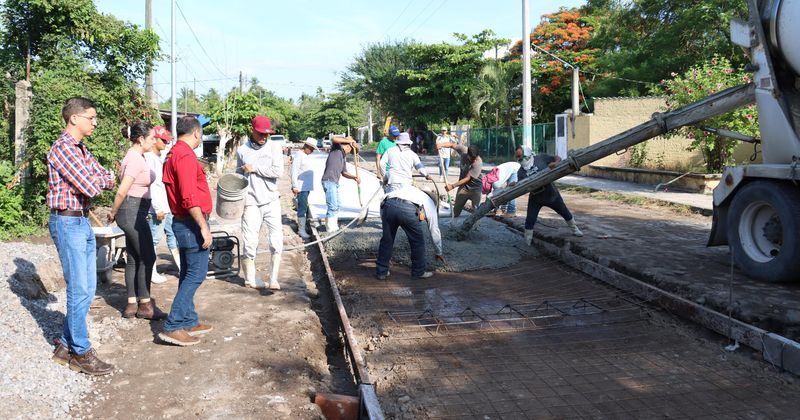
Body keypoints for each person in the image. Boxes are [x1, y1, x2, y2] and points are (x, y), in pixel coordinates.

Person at [47, 96, 116, 375]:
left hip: (82, 222)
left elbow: (108, 178)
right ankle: (81, 352)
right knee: (79, 289)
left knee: (87, 289)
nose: (95, 122)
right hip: (67, 223)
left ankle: (65, 345)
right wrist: (95, 179)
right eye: (91, 117)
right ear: (74, 118)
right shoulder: (63, 148)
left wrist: (96, 178)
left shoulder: (81, 150)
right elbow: (93, 186)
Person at [158, 116, 214, 346]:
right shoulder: (184, 156)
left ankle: (189, 319)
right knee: (196, 274)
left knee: (188, 272)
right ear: (197, 134)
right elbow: (189, 197)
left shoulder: (174, 153)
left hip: (184, 221)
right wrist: (203, 227)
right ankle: (173, 325)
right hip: (191, 223)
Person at [107, 121, 167, 320]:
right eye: (151, 138)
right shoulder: (134, 158)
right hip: (131, 210)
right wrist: (113, 211)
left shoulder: (136, 156)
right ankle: (145, 304)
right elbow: (123, 189)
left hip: (134, 210)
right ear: (141, 139)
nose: (153, 141)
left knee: (134, 257)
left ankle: (131, 304)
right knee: (148, 257)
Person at [237, 116, 285, 290]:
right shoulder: (242, 150)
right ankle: (250, 278)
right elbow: (239, 176)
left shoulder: (274, 147)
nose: (264, 137)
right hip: (250, 201)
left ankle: (273, 278)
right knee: (249, 241)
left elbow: (277, 171)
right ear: (252, 130)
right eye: (260, 133)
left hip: (271, 199)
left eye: (267, 134)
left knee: (276, 240)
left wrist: (254, 168)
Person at [516, 146, 583, 244]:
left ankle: (575, 229)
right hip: (535, 198)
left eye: (521, 157)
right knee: (530, 220)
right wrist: (514, 185)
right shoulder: (521, 171)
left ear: (528, 155)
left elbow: (557, 158)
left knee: (565, 212)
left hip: (551, 194)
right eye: (518, 158)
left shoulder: (541, 158)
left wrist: (555, 163)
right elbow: (520, 186)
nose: (520, 160)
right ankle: (527, 241)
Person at [375, 184, 442, 280]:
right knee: (417, 242)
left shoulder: (409, 188)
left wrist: (384, 219)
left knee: (387, 240)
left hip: (388, 205)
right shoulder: (429, 201)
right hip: (407, 209)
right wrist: (439, 251)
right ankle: (418, 271)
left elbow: (384, 200)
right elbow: (434, 229)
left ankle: (381, 272)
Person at [145, 126, 180, 284]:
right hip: (157, 208)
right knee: (154, 239)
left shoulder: (161, 156)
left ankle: (181, 266)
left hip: (167, 206)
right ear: (155, 140)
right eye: (163, 140)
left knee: (173, 236)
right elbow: (151, 185)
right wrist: (157, 208)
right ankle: (150, 271)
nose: (166, 142)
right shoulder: (148, 158)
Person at [321, 136, 361, 232]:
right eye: (351, 151)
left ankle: (331, 225)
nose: (350, 153)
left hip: (334, 182)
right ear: (348, 146)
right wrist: (351, 140)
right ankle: (331, 229)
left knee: (337, 205)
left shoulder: (343, 157)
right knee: (333, 206)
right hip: (329, 180)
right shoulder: (336, 148)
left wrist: (354, 177)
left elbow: (344, 173)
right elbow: (334, 138)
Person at [437, 141, 483, 218]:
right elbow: (452, 145)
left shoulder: (478, 163)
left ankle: (474, 227)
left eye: (475, 158)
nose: (474, 160)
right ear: (468, 155)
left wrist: (452, 186)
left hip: (476, 189)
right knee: (455, 212)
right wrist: (441, 145)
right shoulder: (463, 150)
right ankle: (453, 224)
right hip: (464, 187)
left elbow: (467, 178)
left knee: (475, 212)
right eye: (472, 158)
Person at [291, 137, 318, 240]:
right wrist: (294, 185)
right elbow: (294, 171)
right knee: (302, 207)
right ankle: (301, 230)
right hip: (301, 187)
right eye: (311, 149)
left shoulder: (304, 155)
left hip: (306, 187)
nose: (312, 151)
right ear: (306, 147)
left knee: (304, 206)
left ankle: (303, 226)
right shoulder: (299, 155)